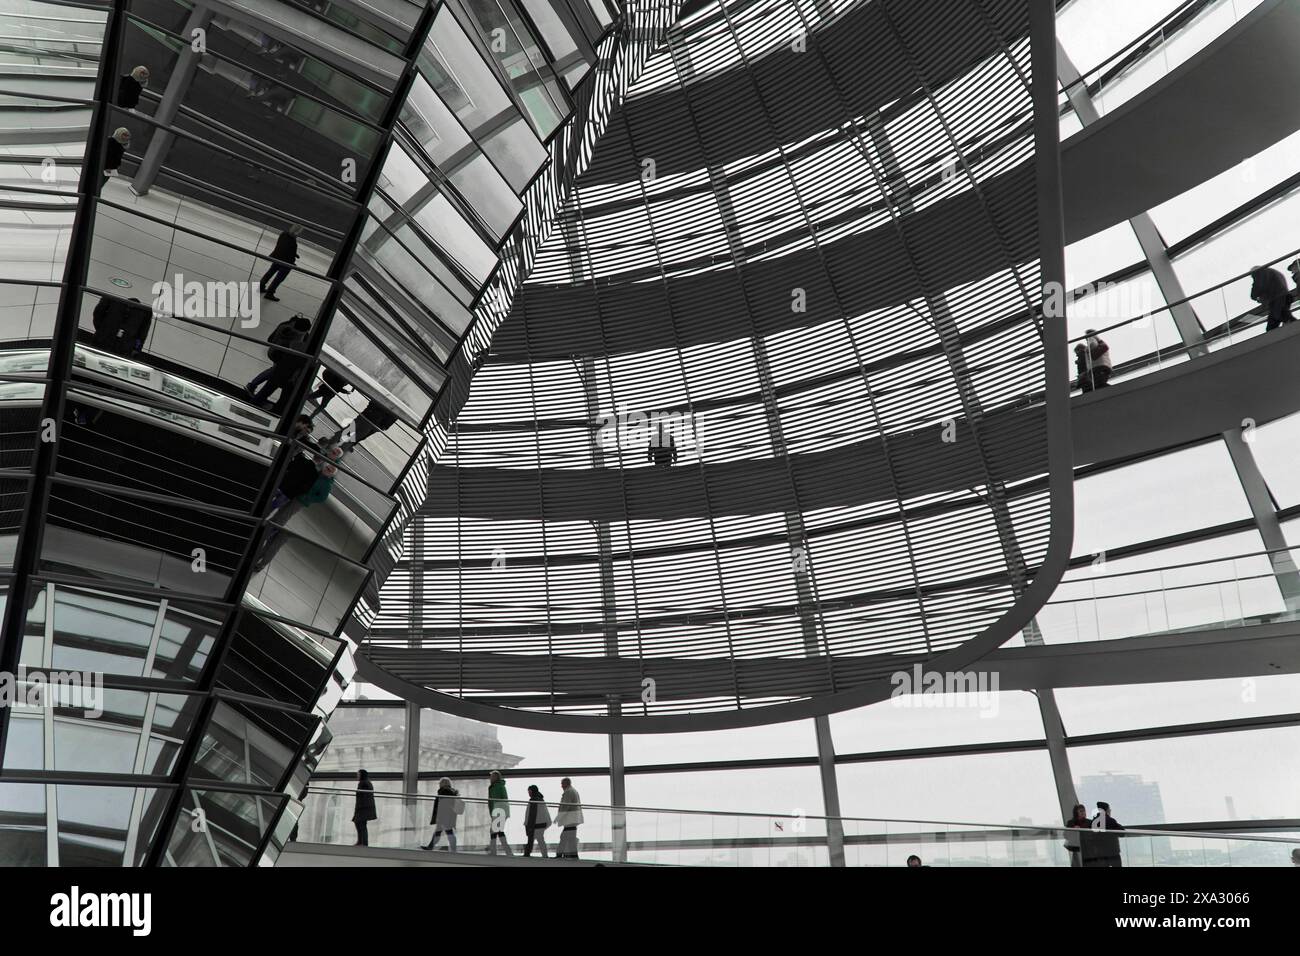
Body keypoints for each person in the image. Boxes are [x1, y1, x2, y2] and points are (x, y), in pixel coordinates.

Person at [252, 445, 342, 572]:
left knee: (281, 517)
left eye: (330, 470)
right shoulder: (320, 472)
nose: (327, 469)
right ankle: (265, 532)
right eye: (327, 468)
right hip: (295, 495)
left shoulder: (326, 483)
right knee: (279, 511)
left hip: (300, 500)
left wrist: (308, 497)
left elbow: (321, 498)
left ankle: (267, 533)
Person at [246, 313, 312, 413]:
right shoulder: (294, 336)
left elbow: (271, 339)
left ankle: (253, 387)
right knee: (273, 373)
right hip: (280, 357)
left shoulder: (286, 325)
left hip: (276, 353)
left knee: (273, 373)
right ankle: (253, 388)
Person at [331, 399, 398, 452]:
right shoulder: (393, 408)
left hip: (368, 418)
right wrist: (383, 426)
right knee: (352, 437)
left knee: (347, 433)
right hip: (371, 421)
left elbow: (373, 402)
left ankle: (332, 445)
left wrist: (369, 410)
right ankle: (336, 450)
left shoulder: (386, 400)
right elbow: (391, 419)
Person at [260, 224, 302, 301]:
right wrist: (293, 264)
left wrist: (294, 254)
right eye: (299, 232)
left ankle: (261, 286)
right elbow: (289, 254)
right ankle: (270, 293)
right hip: (285, 262)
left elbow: (282, 246)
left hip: (277, 257)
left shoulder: (283, 234)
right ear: (297, 232)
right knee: (279, 278)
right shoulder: (292, 241)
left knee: (270, 272)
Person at [1081, 800, 1124, 868]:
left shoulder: (1093, 822)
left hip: (1099, 853)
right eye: (1109, 809)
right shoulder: (1110, 821)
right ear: (1106, 810)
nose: (1110, 811)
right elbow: (1122, 833)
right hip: (1113, 852)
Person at [1250, 264, 1293, 331]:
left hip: (1277, 299)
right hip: (1284, 296)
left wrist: (1255, 296)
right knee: (1275, 320)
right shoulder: (1272, 272)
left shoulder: (1260, 273)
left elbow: (1259, 287)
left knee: (1282, 317)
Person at [425, 777, 461, 852]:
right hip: (449, 816)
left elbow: (443, 806)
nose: (439, 784)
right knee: (440, 832)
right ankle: (430, 847)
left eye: (440, 783)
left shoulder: (444, 791)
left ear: (443, 783)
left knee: (448, 832)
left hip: (444, 817)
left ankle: (453, 850)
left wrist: (439, 817)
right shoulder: (451, 791)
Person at [555, 777, 583, 859]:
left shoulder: (568, 792)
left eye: (562, 784)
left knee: (564, 837)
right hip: (573, 819)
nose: (561, 786)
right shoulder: (573, 791)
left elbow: (565, 806)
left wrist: (558, 817)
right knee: (570, 839)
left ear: (566, 784)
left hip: (570, 820)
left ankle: (559, 855)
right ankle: (574, 856)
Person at [486, 770, 513, 856]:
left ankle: (495, 851)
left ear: (495, 777)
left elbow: (494, 801)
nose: (490, 778)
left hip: (498, 810)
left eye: (491, 776)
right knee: (498, 831)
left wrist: (493, 813)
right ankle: (508, 852)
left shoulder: (495, 787)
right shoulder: (500, 786)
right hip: (500, 810)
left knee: (494, 831)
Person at [524, 784, 551, 858]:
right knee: (540, 840)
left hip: (535, 824)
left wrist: (528, 825)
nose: (528, 793)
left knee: (531, 840)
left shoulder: (533, 800)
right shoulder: (541, 799)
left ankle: (527, 854)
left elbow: (531, 815)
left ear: (532, 791)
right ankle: (545, 855)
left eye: (529, 791)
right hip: (541, 824)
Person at [353, 769, 376, 846]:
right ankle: (361, 841)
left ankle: (363, 842)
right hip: (364, 807)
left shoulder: (364, 783)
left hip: (363, 808)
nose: (357, 776)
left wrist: (359, 808)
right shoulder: (366, 782)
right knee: (360, 824)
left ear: (362, 775)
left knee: (360, 824)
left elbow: (363, 796)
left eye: (358, 774)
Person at [1064, 802, 1090, 867]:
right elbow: (1065, 835)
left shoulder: (1089, 822)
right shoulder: (1071, 823)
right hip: (1077, 849)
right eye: (1081, 811)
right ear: (1076, 813)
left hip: (1088, 850)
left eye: (1084, 811)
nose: (1083, 813)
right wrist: (1073, 829)